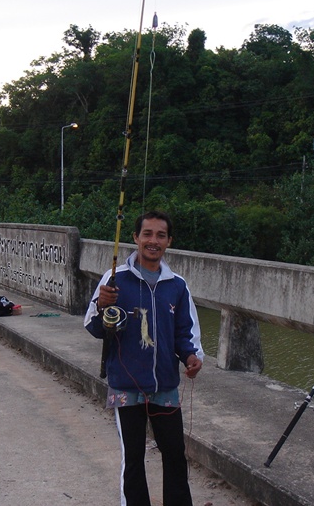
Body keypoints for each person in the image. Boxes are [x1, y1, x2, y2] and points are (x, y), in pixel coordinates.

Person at [84, 210, 204, 506]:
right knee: (133, 457)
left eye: (160, 235)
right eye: (147, 234)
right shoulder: (114, 280)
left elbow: (185, 333)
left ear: (168, 242)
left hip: (164, 385)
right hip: (126, 387)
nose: (154, 241)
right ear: (136, 238)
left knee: (175, 453)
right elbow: (93, 327)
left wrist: (191, 356)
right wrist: (101, 305)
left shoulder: (177, 285)